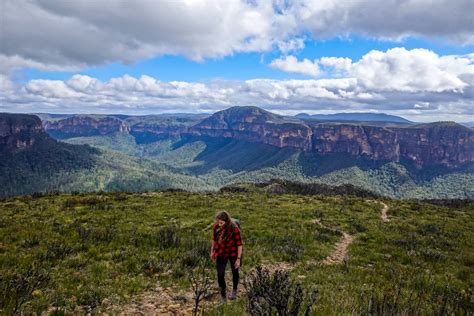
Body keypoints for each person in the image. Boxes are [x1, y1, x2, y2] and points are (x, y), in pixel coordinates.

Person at [210, 210, 243, 304]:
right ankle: (223, 297)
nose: (219, 224)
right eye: (218, 222)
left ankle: (234, 290)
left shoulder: (234, 229)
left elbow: (239, 244)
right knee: (220, 274)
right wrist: (212, 251)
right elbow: (214, 239)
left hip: (233, 252)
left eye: (221, 223)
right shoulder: (216, 227)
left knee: (235, 271)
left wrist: (238, 259)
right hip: (221, 252)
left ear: (227, 221)